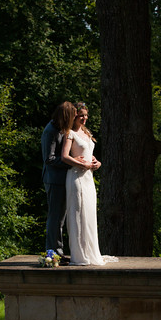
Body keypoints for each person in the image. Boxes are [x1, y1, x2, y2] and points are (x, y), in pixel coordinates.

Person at [61, 102, 117, 266]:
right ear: (74, 117)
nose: (84, 118)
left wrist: (96, 162)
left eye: (86, 115)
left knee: (89, 213)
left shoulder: (86, 133)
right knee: (78, 214)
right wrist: (81, 165)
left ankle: (90, 251)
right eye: (81, 116)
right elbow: (64, 156)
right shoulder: (70, 133)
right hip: (76, 177)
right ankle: (79, 255)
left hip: (88, 178)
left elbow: (88, 153)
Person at [41, 101, 78, 260]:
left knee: (60, 218)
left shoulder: (61, 129)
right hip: (54, 180)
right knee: (56, 218)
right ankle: (54, 252)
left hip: (62, 179)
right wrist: (71, 163)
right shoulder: (51, 131)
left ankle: (58, 251)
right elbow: (49, 159)